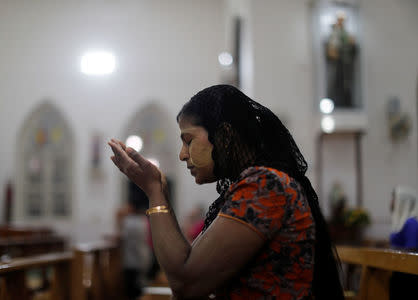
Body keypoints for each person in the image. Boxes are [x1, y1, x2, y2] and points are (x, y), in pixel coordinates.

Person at [109, 85, 343, 299]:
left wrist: (154, 191)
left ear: (225, 137)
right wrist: (158, 191)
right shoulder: (254, 185)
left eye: (188, 141)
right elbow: (186, 266)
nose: (182, 154)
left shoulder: (265, 186)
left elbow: (186, 284)